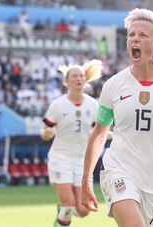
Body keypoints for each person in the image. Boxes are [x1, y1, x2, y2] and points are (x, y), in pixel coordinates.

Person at [81, 8, 153, 227]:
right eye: (131, 34)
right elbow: (99, 133)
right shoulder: (113, 85)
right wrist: (86, 181)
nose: (135, 38)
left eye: (142, 35)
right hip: (118, 170)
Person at [40, 59, 109, 227]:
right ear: (66, 81)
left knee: (83, 210)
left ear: (85, 80)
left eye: (81, 76)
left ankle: (62, 215)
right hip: (60, 158)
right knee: (69, 203)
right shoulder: (58, 104)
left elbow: (98, 131)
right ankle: (63, 218)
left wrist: (116, 135)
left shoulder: (93, 105)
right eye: (74, 76)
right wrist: (46, 134)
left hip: (82, 161)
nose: (78, 79)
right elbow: (44, 131)